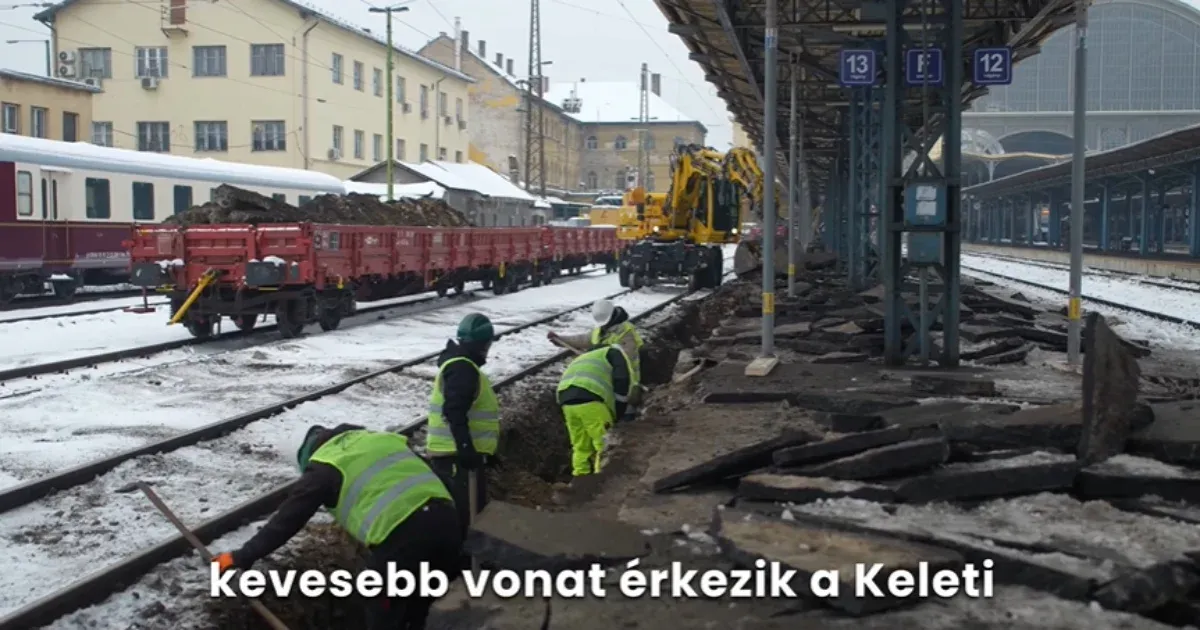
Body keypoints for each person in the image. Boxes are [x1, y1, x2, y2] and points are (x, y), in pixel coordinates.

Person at [212, 424, 460, 630]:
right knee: (419, 607)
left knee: (380, 603)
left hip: (405, 534)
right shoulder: (377, 439)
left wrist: (241, 556)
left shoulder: (324, 466)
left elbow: (287, 520)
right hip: (448, 521)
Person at [425, 312, 498, 535]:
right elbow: (454, 410)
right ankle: (464, 566)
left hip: (454, 455)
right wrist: (466, 448)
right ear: (482, 344)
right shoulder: (463, 369)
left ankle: (463, 563)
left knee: (464, 515)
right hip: (455, 457)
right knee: (465, 518)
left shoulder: (460, 365)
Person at [548, 299, 645, 419]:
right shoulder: (600, 330)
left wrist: (599, 350)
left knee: (625, 418)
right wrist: (561, 340)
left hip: (627, 384)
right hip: (606, 382)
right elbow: (583, 339)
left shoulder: (626, 333)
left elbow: (624, 357)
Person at [555, 343, 639, 479]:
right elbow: (622, 380)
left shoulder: (584, 358)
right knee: (603, 444)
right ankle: (601, 479)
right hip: (591, 400)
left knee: (580, 445)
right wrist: (620, 409)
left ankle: (580, 477)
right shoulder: (613, 353)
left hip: (566, 400)